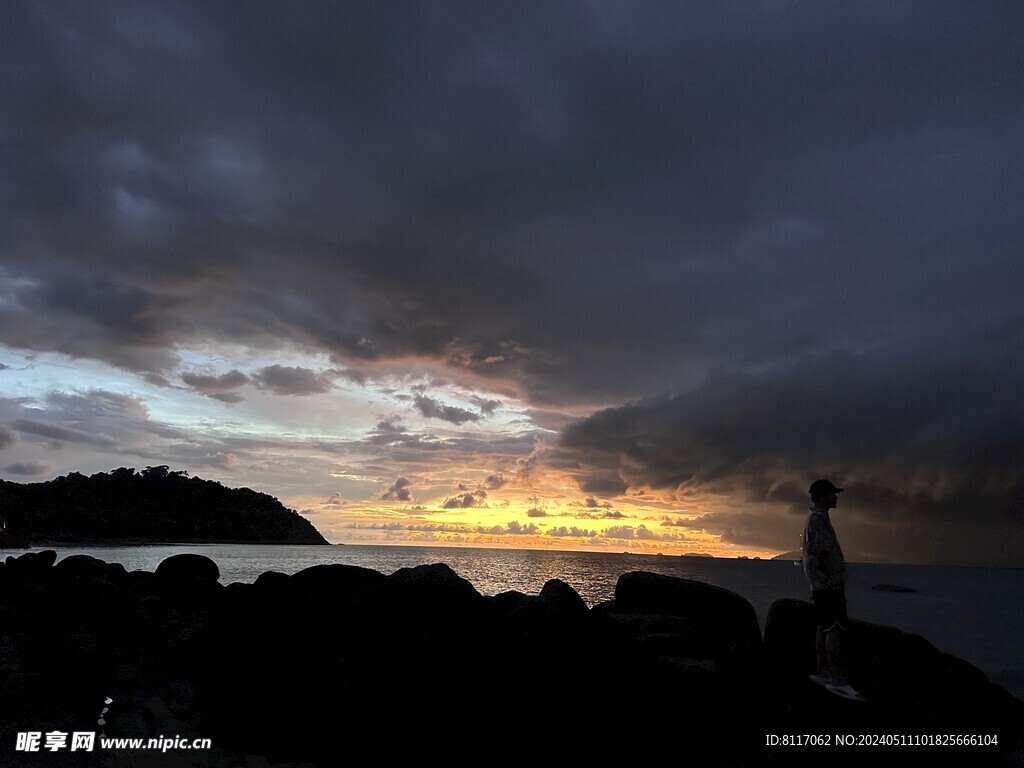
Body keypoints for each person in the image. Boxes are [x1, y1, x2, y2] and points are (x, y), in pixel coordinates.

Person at [801, 479, 864, 701]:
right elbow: (820, 554)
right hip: (828, 586)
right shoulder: (817, 520)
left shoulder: (817, 519)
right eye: (831, 494)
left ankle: (824, 672)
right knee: (835, 629)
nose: (836, 497)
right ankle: (838, 680)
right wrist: (831, 581)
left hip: (822, 585)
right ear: (821, 496)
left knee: (823, 626)